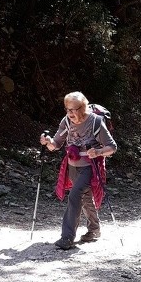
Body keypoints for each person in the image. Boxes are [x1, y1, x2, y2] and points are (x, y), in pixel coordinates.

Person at [40, 92, 117, 250]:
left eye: (73, 110)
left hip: (90, 167)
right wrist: (47, 142)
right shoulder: (67, 121)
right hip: (73, 166)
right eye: (67, 109)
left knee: (75, 195)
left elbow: (112, 147)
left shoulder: (95, 122)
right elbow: (56, 144)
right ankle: (94, 230)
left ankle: (67, 237)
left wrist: (98, 152)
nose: (69, 113)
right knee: (85, 198)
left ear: (82, 108)